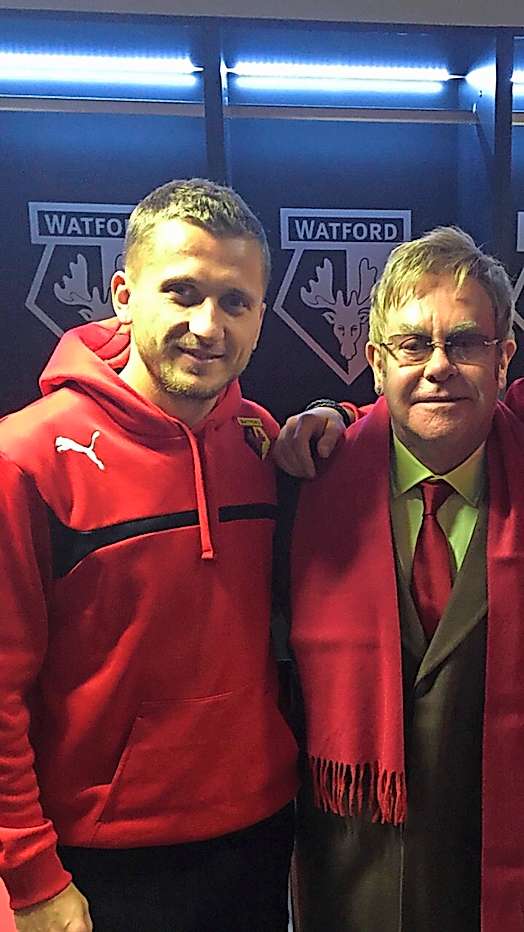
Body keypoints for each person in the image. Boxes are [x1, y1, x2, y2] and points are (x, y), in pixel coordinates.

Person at [0, 178, 298, 932]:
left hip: (257, 836)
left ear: (261, 317)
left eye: (235, 302)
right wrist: (31, 876)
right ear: (124, 294)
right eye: (182, 292)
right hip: (100, 863)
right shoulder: (25, 458)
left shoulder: (263, 441)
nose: (208, 326)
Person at [273, 227, 524, 932]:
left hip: (499, 878)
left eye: (465, 342)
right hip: (347, 882)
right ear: (377, 362)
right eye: (413, 345)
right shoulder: (302, 484)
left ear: (503, 357)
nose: (439, 366)